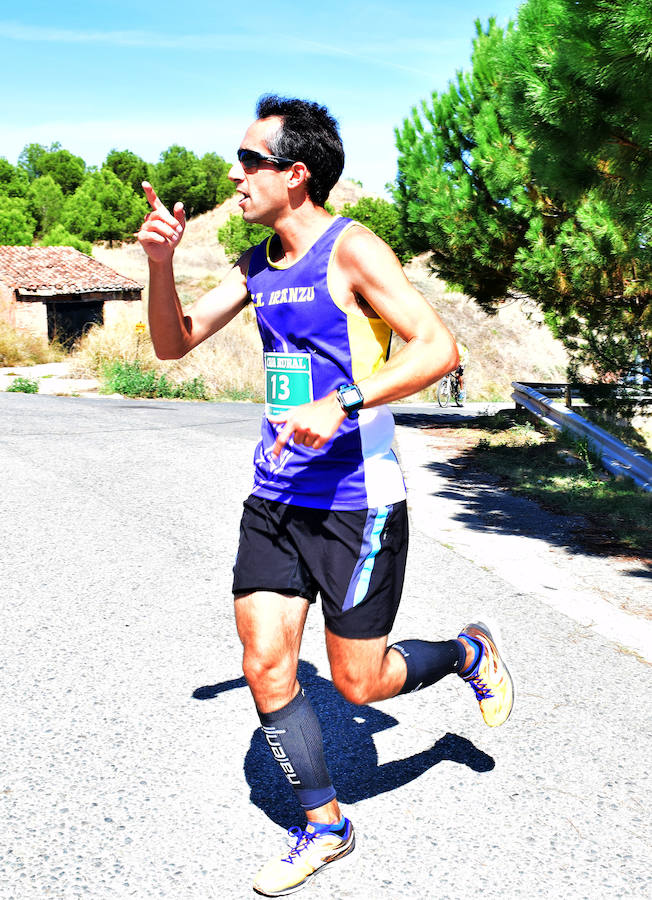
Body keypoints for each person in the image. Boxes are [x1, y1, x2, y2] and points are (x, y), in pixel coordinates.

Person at [136, 95, 513, 898]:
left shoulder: (352, 250)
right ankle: (325, 825)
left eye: (249, 160)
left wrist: (341, 404)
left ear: (295, 173)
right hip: (274, 496)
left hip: (356, 500)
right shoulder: (253, 264)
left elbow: (439, 346)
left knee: (357, 684)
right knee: (267, 663)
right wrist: (160, 265)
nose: (234, 174)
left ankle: (466, 653)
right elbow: (172, 345)